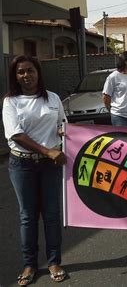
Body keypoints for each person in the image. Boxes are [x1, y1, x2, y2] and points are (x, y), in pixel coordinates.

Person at [2, 55, 68, 285]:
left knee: (51, 215)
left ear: (38, 72)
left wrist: (62, 133)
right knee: (27, 216)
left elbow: (62, 123)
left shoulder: (53, 98)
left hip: (50, 166)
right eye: (21, 72)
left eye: (30, 70)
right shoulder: (11, 102)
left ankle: (54, 261)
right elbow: (16, 135)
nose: (26, 76)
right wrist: (47, 150)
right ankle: (29, 264)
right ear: (15, 76)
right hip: (23, 165)